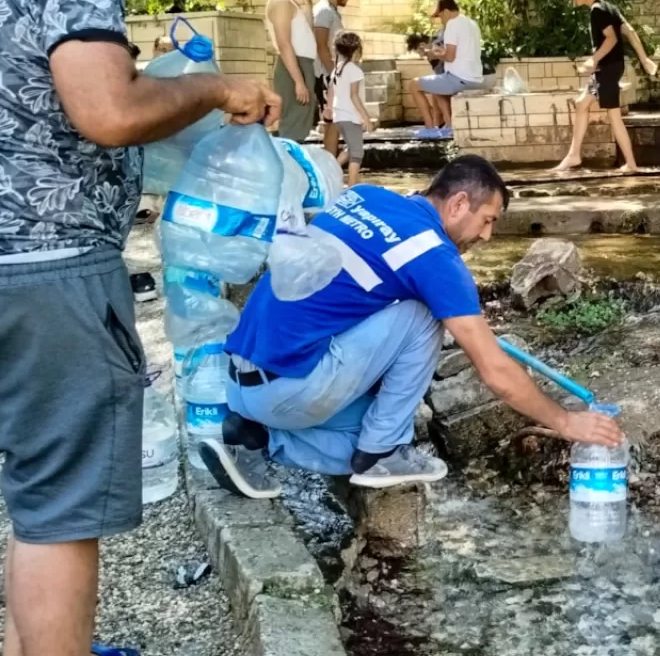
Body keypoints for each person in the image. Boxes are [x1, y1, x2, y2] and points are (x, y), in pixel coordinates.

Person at [0, 0, 279, 656]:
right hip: (50, 282)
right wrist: (207, 89)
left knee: (33, 496)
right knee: (61, 512)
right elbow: (107, 110)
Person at [199, 156, 623, 498]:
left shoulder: (362, 196)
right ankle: (382, 454)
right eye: (488, 219)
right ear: (458, 204)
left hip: (241, 382)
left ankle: (256, 439)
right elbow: (493, 370)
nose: (488, 236)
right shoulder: (434, 255)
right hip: (289, 390)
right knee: (422, 316)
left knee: (367, 428)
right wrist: (565, 422)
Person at [554, 0, 660, 173]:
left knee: (614, 116)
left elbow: (611, 39)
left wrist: (593, 60)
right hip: (608, 69)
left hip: (608, 69)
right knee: (581, 103)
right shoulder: (608, 7)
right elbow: (630, 32)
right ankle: (574, 155)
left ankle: (631, 164)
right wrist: (644, 59)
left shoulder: (597, 11)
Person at [411, 0, 483, 141]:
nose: (441, 20)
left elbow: (449, 57)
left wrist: (431, 53)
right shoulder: (471, 23)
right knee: (437, 85)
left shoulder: (452, 24)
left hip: (460, 78)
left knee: (413, 84)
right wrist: (441, 52)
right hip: (475, 78)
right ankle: (449, 126)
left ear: (446, 11)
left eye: (440, 15)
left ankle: (430, 129)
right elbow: (460, 51)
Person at [265, 0, 319, 142]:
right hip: (294, 65)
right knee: (294, 121)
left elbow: (308, 33)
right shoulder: (281, 3)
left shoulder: (291, 1)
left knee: (303, 116)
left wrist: (309, 5)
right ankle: (289, 164)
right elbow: (284, 43)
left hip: (302, 63)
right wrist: (298, 81)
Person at [312, 0, 354, 159]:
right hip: (325, 75)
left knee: (334, 119)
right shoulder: (323, 11)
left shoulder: (331, 11)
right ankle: (330, 160)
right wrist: (334, 75)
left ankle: (330, 160)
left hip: (332, 74)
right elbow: (321, 46)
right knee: (332, 119)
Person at [327, 31, 373, 185]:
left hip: (339, 116)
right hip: (350, 116)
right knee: (357, 153)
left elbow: (331, 92)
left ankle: (327, 170)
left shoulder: (337, 69)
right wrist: (366, 117)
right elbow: (354, 95)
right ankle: (353, 185)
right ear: (356, 50)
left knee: (350, 148)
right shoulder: (354, 70)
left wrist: (329, 109)